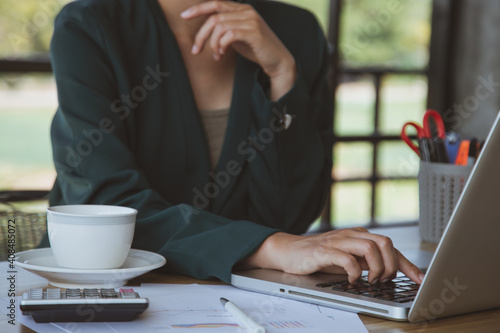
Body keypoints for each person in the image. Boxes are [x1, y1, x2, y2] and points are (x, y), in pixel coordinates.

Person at [46, 0, 424, 286]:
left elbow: (289, 215)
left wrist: (282, 75)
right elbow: (108, 206)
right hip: (106, 290)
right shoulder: (89, 25)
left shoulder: (296, 31)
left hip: (246, 296)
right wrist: (270, 247)